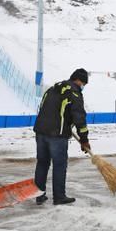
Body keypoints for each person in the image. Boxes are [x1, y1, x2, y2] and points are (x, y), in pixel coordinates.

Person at [33, 68, 91, 205]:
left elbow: (44, 107)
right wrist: (84, 140)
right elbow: (80, 118)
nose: (83, 87)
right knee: (59, 165)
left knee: (42, 163)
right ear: (79, 81)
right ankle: (59, 197)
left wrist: (66, 123)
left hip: (40, 131)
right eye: (84, 84)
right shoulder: (74, 93)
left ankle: (39, 195)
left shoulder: (53, 88)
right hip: (57, 136)